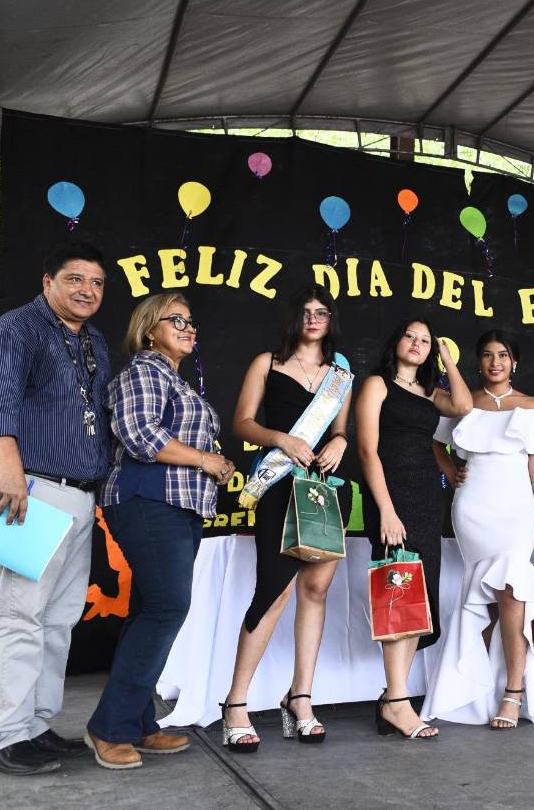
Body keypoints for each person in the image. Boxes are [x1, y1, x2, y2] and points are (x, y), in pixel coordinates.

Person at [0, 240, 111, 775]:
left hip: (79, 493)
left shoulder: (94, 339)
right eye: (75, 279)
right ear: (48, 281)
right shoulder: (17, 329)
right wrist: (8, 470)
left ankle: (35, 725)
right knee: (21, 615)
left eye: (96, 283)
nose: (86, 291)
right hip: (31, 487)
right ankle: (3, 736)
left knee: (59, 620)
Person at [85, 293, 232, 769]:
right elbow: (141, 435)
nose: (190, 328)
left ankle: (140, 723)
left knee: (150, 607)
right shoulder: (143, 371)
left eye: (192, 322)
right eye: (178, 320)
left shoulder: (173, 379)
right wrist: (206, 459)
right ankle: (108, 728)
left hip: (178, 504)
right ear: (150, 329)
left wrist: (216, 463)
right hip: (147, 498)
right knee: (168, 605)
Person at [221, 287, 353, 750]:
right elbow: (240, 422)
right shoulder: (267, 363)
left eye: (322, 313)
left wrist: (339, 442)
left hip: (323, 489)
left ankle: (300, 698)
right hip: (280, 486)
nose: (313, 318)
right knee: (273, 592)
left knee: (316, 591)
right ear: (292, 318)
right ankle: (235, 703)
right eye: (305, 311)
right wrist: (281, 439)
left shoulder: (340, 376)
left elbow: (339, 429)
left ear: (331, 320)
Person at [422, 330, 534, 729]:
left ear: (514, 362)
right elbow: (435, 443)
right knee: (481, 598)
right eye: (487, 355)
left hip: (516, 508)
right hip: (472, 509)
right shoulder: (465, 404)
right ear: (478, 362)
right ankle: (474, 690)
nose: (495, 362)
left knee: (512, 592)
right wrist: (450, 470)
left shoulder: (531, 406)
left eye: (503, 355)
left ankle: (512, 693)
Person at [355, 318, 471, 740]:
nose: (418, 344)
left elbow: (463, 406)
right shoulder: (377, 385)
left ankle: (394, 699)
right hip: (393, 500)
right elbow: (367, 450)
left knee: (415, 604)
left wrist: (446, 358)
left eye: (425, 340)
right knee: (398, 596)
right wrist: (385, 510)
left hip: (426, 501)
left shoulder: (428, 392)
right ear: (396, 340)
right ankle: (399, 703)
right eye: (411, 336)